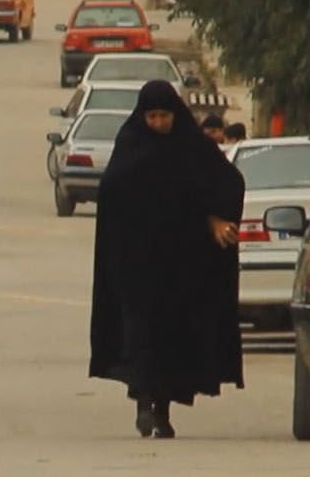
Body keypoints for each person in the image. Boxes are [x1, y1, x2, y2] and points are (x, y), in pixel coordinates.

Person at [89, 80, 245, 439]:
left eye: (164, 116)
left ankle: (163, 411)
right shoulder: (131, 146)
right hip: (139, 267)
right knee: (141, 336)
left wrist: (216, 217)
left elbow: (226, 183)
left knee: (173, 339)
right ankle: (144, 403)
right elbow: (113, 194)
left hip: (182, 266)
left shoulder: (193, 149)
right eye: (152, 116)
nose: (158, 123)